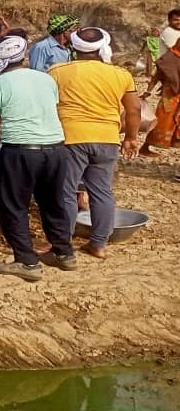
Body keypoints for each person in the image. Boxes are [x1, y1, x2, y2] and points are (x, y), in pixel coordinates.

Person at [0, 35, 74, 281]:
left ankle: (26, 262)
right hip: (55, 149)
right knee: (53, 202)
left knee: (13, 205)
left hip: (21, 152)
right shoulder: (46, 79)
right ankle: (64, 253)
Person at [48, 29, 140, 259]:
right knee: (102, 192)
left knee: (66, 191)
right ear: (103, 48)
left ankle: (63, 243)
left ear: (74, 48)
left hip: (71, 137)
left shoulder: (57, 71)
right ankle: (98, 245)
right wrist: (130, 137)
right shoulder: (121, 74)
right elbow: (134, 109)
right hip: (107, 138)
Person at [144, 32, 180, 156]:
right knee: (162, 119)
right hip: (169, 96)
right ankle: (146, 145)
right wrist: (148, 91)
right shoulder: (169, 58)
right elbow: (157, 76)